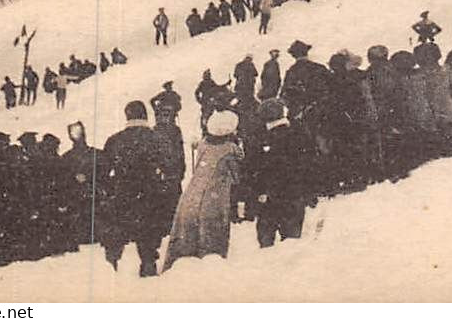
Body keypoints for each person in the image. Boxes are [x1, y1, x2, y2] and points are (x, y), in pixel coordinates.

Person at [97, 101, 177, 278]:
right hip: (151, 195)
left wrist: (111, 189)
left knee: (117, 231)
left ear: (127, 116)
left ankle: (112, 264)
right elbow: (171, 168)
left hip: (122, 194)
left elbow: (102, 172)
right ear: (145, 116)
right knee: (148, 232)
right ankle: (148, 263)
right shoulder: (158, 138)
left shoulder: (114, 140)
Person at [163, 110, 242, 271]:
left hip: (191, 197)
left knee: (185, 237)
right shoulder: (231, 150)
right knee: (210, 241)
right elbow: (237, 177)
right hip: (214, 200)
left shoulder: (203, 144)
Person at [247, 99, 309, 247]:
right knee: (291, 242)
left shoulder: (260, 138)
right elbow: (308, 164)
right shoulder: (298, 133)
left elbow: (253, 168)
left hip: (268, 197)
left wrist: (256, 192)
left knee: (266, 240)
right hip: (294, 195)